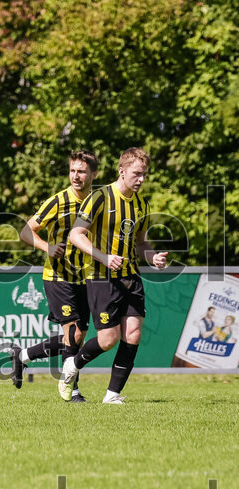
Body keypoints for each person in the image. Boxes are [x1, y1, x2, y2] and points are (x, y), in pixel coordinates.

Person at [61, 148, 168, 404]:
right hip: (101, 276)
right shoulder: (100, 197)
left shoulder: (142, 204)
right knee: (108, 340)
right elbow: (75, 235)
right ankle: (72, 366)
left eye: (144, 175)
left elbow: (141, 244)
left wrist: (152, 257)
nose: (141, 179)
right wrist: (104, 257)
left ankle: (112, 395)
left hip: (131, 275)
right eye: (137, 174)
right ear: (122, 170)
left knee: (133, 334)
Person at [12, 150, 98, 402]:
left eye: (81, 171)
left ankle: (23, 355)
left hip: (88, 277)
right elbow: (26, 231)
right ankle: (73, 391)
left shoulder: (99, 201)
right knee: (72, 333)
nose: (76, 176)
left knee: (77, 337)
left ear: (93, 174)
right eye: (72, 170)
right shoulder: (58, 201)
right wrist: (47, 247)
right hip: (58, 275)